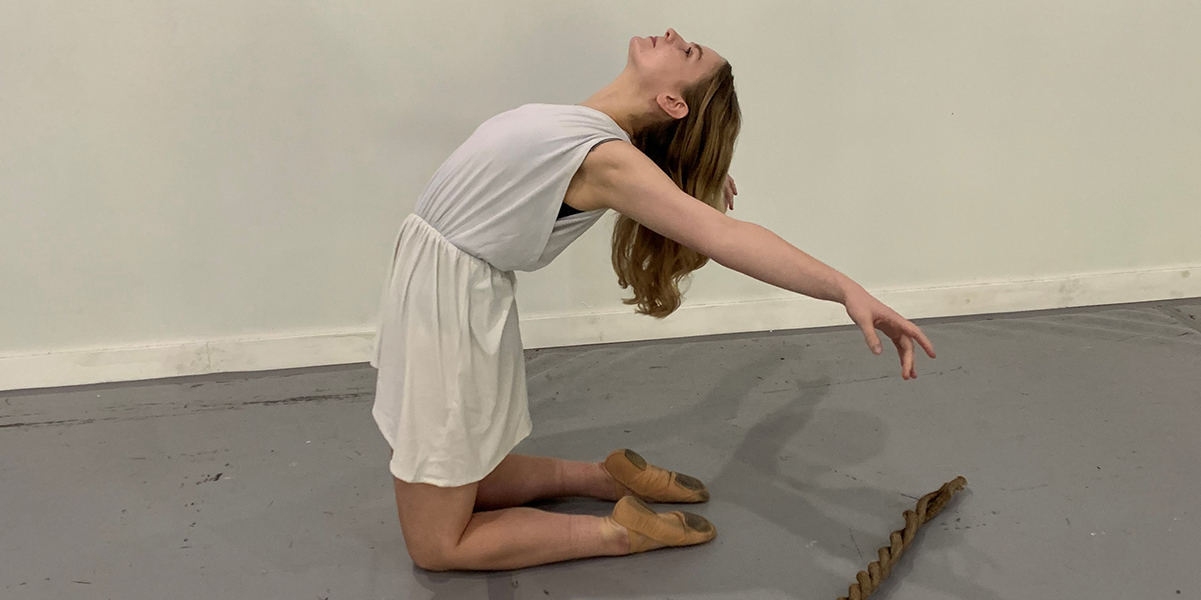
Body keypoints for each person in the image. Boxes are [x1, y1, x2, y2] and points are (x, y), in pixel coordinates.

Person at [370, 28, 936, 572]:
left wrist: (844, 289)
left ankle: (620, 533)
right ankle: (603, 478)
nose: (671, 32)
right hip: (434, 292)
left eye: (687, 50)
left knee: (439, 544)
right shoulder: (595, 131)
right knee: (447, 467)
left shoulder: (605, 159)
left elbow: (727, 237)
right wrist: (687, 170)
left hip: (446, 309)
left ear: (672, 100)